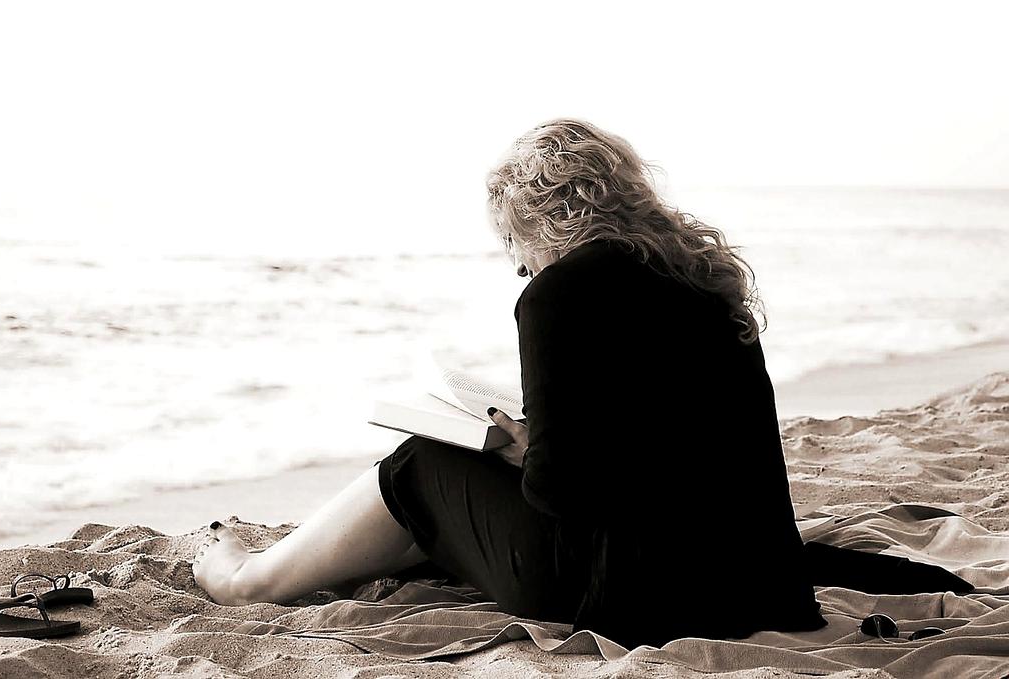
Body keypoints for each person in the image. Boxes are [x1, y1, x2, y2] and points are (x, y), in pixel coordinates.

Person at [193, 118, 970, 650]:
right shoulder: (702, 278)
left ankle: (247, 580)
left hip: (633, 599)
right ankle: (334, 553)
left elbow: (560, 493)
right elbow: (673, 450)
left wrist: (515, 448)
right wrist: (542, 442)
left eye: (511, 237)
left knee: (419, 462)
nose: (515, 261)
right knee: (446, 488)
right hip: (751, 583)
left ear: (544, 216)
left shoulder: (559, 292)